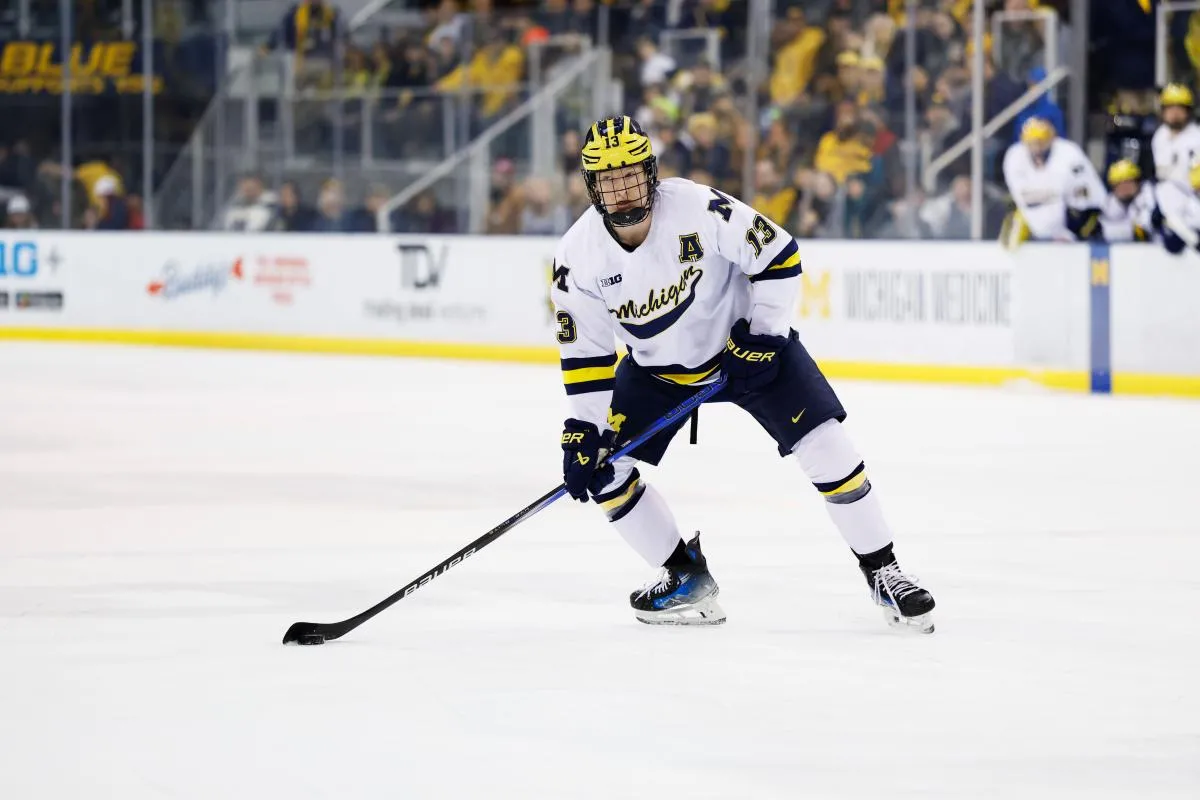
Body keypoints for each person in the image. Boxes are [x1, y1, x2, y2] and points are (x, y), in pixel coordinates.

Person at [549, 115, 936, 632]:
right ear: (592, 186)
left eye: (631, 175)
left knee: (826, 444)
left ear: (652, 173)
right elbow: (587, 357)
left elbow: (779, 254)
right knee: (605, 470)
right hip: (657, 372)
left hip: (748, 352)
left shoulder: (698, 207)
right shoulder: (577, 258)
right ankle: (684, 577)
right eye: (609, 180)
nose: (622, 191)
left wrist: (764, 335)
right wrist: (585, 429)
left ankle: (884, 571)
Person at [1001, 117, 1106, 244]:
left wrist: (1051, 196)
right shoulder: (1015, 155)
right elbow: (1022, 195)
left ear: (1051, 139)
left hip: (1081, 215)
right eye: (1032, 143)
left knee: (1079, 220)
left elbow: (1083, 196)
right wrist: (1053, 194)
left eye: (1041, 142)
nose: (1037, 148)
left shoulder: (1069, 153)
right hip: (1038, 220)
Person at [1151, 83, 1200, 186]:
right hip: (1165, 195)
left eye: (1179, 108)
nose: (1175, 113)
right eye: (1170, 108)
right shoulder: (1159, 135)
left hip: (1193, 197)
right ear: (1163, 111)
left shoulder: (1197, 136)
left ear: (1188, 111)